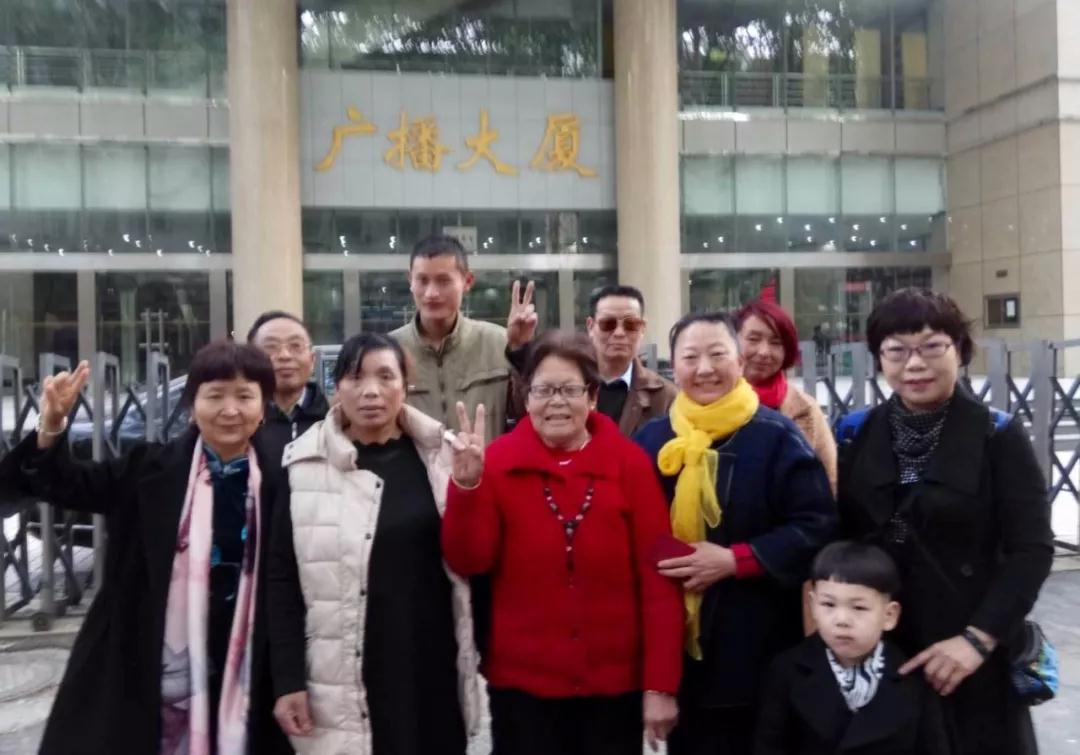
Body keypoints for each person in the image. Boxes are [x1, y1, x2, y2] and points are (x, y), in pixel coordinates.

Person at [0, 341, 290, 754]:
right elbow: (65, 484)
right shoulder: (147, 469)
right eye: (215, 396)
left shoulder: (286, 478)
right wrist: (51, 427)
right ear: (192, 405)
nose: (230, 409)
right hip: (153, 653)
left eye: (245, 396)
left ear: (263, 407)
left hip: (250, 659)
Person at [442, 331, 684, 755]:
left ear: (592, 397)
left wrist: (660, 685)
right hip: (522, 690)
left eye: (569, 390)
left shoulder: (629, 464)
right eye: (543, 390)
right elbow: (469, 560)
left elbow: (658, 580)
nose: (556, 402)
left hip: (614, 690)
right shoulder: (496, 462)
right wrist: (466, 486)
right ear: (526, 398)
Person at [834, 288, 1053, 755]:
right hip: (883, 647)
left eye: (932, 347)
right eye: (896, 351)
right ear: (879, 359)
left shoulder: (997, 434)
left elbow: (1031, 550)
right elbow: (842, 536)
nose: (915, 364)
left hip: (971, 650)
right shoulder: (854, 433)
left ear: (960, 350)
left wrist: (977, 640)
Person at [633, 312, 836, 755]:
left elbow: (817, 525)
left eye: (717, 354)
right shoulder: (651, 441)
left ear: (740, 362)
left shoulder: (777, 437)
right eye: (691, 357)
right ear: (673, 367)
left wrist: (736, 560)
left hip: (758, 646)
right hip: (677, 650)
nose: (704, 368)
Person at [267, 333, 480, 755]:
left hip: (430, 660)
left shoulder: (441, 457)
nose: (371, 391)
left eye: (385, 376)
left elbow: (473, 558)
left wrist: (471, 486)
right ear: (336, 388)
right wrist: (288, 680)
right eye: (355, 377)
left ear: (405, 385)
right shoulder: (303, 467)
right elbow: (281, 580)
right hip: (345, 669)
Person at [754, 541, 949, 755]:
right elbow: (769, 746)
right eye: (828, 604)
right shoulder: (788, 669)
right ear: (813, 605)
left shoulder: (913, 677)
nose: (842, 620)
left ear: (889, 615)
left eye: (859, 607)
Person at [390, 234, 537, 440]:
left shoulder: (498, 342)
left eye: (443, 281)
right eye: (422, 280)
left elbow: (529, 413)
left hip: (486, 460)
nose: (431, 293)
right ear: (410, 281)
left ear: (467, 281)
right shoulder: (390, 351)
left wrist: (520, 350)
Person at [735, 299, 836, 494]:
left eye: (776, 343)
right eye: (753, 339)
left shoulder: (805, 409)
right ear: (732, 341)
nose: (764, 352)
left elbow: (829, 482)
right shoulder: (709, 401)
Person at [584, 284, 677, 436]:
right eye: (608, 324)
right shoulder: (569, 389)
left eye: (630, 324)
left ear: (642, 328)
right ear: (590, 326)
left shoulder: (665, 396)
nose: (619, 333)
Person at [247, 310, 330, 467]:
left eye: (296, 346)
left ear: (312, 360)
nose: (284, 355)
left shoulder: (335, 421)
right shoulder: (239, 422)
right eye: (271, 347)